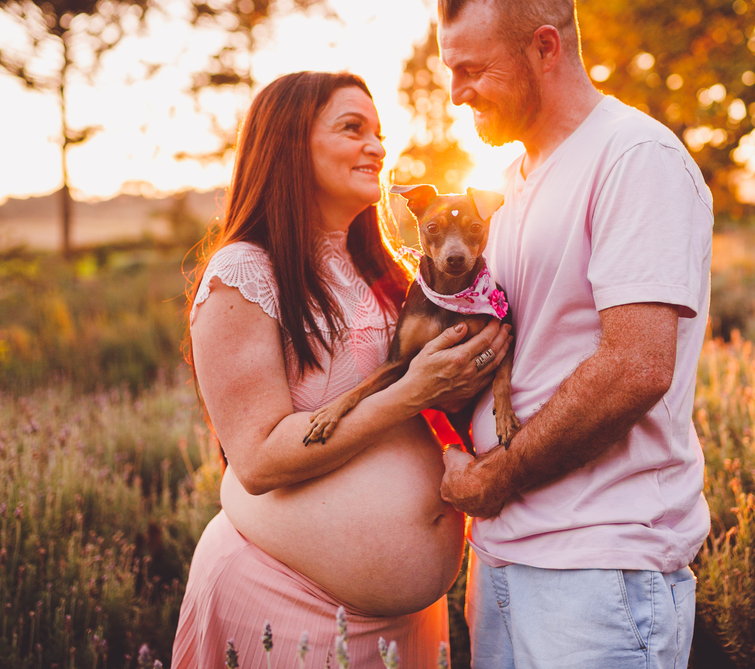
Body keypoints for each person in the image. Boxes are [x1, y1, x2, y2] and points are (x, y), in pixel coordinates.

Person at [435, 0, 713, 668]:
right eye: (450, 71)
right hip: (500, 560)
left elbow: (635, 367)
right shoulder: (507, 185)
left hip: (599, 574)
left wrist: (495, 478)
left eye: (472, 69)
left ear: (544, 48)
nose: (456, 93)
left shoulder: (634, 157)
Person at [172, 71, 511, 669]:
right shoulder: (245, 272)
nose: (376, 147)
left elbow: (443, 397)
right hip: (286, 606)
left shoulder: (392, 272)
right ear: (288, 144)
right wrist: (412, 393)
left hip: (406, 625)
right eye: (353, 128)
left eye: (379, 133)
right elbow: (256, 460)